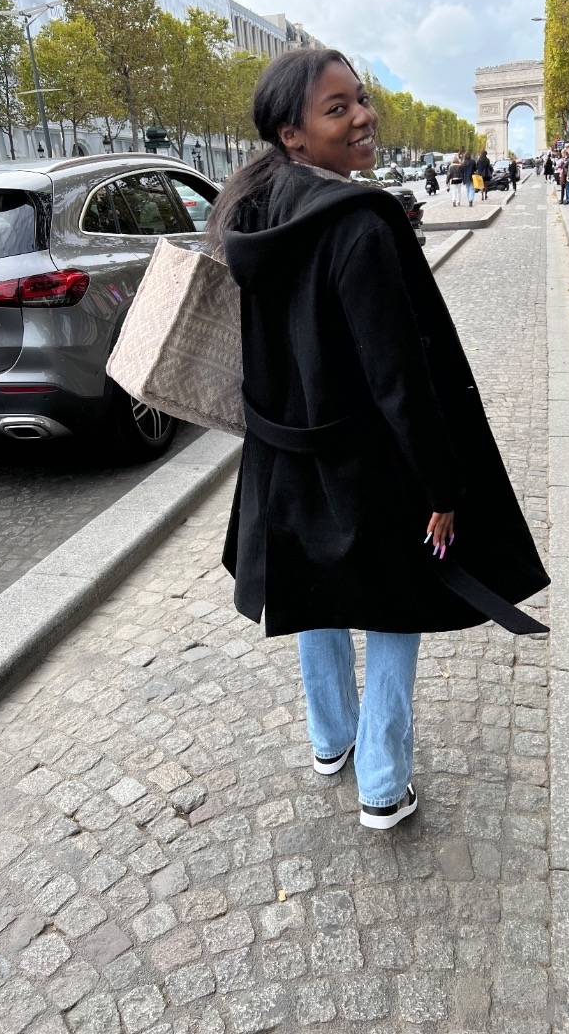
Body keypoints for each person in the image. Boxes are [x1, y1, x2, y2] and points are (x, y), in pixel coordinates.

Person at [205, 49, 549, 830]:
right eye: (338, 108)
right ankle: (383, 783)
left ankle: (332, 740)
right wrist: (442, 487)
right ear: (292, 133)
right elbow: (401, 376)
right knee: (399, 603)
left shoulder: (252, 213)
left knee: (312, 593)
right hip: (364, 459)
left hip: (284, 454)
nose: (363, 116)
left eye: (360, 99)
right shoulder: (358, 225)